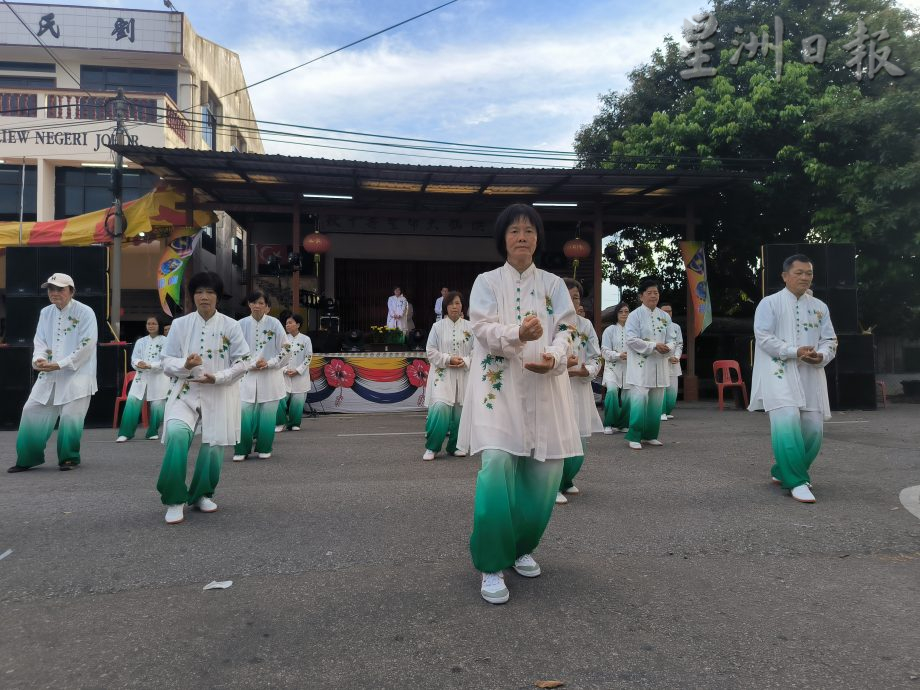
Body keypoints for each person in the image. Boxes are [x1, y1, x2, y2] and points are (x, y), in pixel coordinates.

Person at [457, 203, 581, 605]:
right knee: (496, 465)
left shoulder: (554, 284)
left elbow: (568, 328)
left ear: (538, 238)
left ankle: (521, 546)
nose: (522, 237)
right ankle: (492, 563)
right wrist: (518, 333)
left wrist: (556, 356)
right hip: (499, 389)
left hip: (545, 386)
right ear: (503, 239)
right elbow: (481, 328)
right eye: (514, 231)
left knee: (545, 473)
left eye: (529, 230)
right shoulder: (486, 282)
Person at [156, 271, 250, 524]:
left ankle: (201, 494)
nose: (204, 297)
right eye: (199, 292)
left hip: (218, 392)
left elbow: (243, 362)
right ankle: (174, 499)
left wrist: (217, 377)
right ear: (192, 296)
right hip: (185, 392)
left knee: (213, 446)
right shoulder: (180, 325)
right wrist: (185, 365)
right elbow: (165, 361)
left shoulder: (231, 326)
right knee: (176, 434)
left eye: (209, 292)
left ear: (218, 296)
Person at [749, 254, 837, 504]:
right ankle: (796, 480)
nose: (805, 277)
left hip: (810, 373)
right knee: (787, 420)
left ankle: (783, 470)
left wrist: (821, 356)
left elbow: (830, 340)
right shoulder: (769, 303)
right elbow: (763, 337)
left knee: (813, 429)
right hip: (778, 372)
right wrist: (793, 351)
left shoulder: (820, 307)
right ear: (785, 276)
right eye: (799, 273)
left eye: (809, 273)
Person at [8, 273, 98, 473]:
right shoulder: (45, 313)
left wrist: (61, 364)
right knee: (31, 410)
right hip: (49, 372)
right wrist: (38, 359)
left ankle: (69, 458)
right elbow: (40, 340)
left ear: (71, 291)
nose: (54, 292)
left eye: (60, 289)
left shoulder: (85, 312)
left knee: (70, 417)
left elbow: (87, 344)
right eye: (51, 288)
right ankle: (27, 458)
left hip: (77, 373)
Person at [556, 278, 604, 505]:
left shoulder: (585, 325)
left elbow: (596, 356)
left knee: (580, 438)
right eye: (566, 297)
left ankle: (567, 479)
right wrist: (562, 369)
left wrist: (588, 370)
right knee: (559, 437)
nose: (571, 301)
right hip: (556, 388)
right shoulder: (548, 324)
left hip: (580, 388)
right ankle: (552, 485)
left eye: (575, 297)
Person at [233, 290, 290, 461]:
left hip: (270, 376)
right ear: (248, 304)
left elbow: (286, 349)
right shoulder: (240, 325)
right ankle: (241, 449)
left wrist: (269, 363)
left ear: (266, 306)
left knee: (268, 413)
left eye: (260, 303)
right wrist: (251, 364)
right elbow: (233, 351)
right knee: (242, 411)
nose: (257, 306)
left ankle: (265, 447)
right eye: (253, 302)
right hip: (247, 376)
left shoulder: (275, 323)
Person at [624, 277, 677, 451]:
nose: (654, 296)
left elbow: (672, 339)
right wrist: (654, 346)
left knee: (656, 401)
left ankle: (650, 435)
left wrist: (668, 348)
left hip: (660, 365)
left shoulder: (665, 317)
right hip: (641, 367)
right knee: (639, 399)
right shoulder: (634, 315)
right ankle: (634, 436)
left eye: (656, 292)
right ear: (641, 296)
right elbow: (630, 339)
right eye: (649, 293)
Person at [422, 290, 472, 460]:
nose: (454, 306)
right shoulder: (437, 327)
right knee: (440, 408)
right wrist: (448, 359)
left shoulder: (470, 327)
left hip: (463, 376)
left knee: (460, 411)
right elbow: (430, 351)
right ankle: (432, 447)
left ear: (462, 306)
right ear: (445, 307)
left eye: (457, 303)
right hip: (442, 375)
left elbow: (477, 351)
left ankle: (456, 446)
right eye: (450, 303)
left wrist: (465, 361)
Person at [116, 315, 170, 442]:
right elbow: (134, 358)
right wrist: (138, 363)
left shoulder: (166, 341)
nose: (151, 326)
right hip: (141, 377)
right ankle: (125, 433)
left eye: (154, 324)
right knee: (132, 402)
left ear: (159, 325)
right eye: (149, 323)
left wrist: (150, 365)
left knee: (157, 404)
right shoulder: (140, 341)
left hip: (158, 377)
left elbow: (166, 361)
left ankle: (153, 432)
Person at [276, 313, 313, 432]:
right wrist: (285, 369)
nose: (287, 325)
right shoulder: (283, 339)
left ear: (297, 325)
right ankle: (280, 423)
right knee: (280, 400)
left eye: (290, 323)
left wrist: (298, 370)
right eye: (286, 323)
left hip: (300, 376)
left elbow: (308, 357)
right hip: (284, 375)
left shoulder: (306, 339)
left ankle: (294, 423)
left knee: (298, 401)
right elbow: (278, 357)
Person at [600, 301, 631, 435]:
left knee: (628, 396)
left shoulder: (634, 331)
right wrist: (619, 355)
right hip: (612, 367)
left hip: (629, 368)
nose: (624, 314)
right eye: (621, 311)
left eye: (626, 311)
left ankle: (623, 424)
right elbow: (604, 350)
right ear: (616, 314)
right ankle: (609, 423)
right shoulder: (610, 330)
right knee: (612, 391)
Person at [659, 302, 683, 421]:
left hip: (674, 362)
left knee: (673, 389)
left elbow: (679, 344)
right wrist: (668, 357)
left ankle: (667, 411)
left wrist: (677, 357)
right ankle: (661, 412)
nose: (668, 313)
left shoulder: (676, 327)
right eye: (665, 311)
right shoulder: (656, 327)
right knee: (661, 388)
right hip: (661, 361)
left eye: (670, 311)